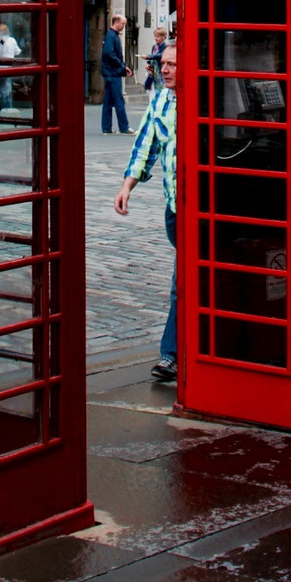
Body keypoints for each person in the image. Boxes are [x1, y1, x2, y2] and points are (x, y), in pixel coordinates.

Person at [114, 40, 178, 382]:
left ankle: (171, 354)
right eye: (162, 64)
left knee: (181, 282)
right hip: (175, 207)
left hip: (203, 207)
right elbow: (144, 148)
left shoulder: (207, 98)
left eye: (172, 64)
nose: (164, 70)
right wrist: (127, 186)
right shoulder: (159, 101)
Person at [101, 13, 133, 134]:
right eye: (123, 24)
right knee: (119, 100)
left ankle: (106, 127)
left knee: (108, 101)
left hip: (110, 72)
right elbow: (109, 54)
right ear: (116, 23)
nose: (124, 26)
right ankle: (124, 127)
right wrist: (122, 66)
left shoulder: (111, 35)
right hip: (113, 73)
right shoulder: (111, 36)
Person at [0, 22, 22, 113]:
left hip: (1, 67)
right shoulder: (12, 40)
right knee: (7, 88)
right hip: (10, 67)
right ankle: (8, 107)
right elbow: (18, 51)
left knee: (1, 89)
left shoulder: (1, 40)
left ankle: (2, 108)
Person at [142, 26, 168, 93]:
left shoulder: (166, 46)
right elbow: (152, 59)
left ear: (163, 37)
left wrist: (148, 56)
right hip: (154, 72)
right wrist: (149, 64)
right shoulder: (154, 46)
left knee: (162, 91)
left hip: (161, 71)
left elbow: (160, 56)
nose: (156, 38)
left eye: (158, 36)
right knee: (154, 92)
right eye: (155, 36)